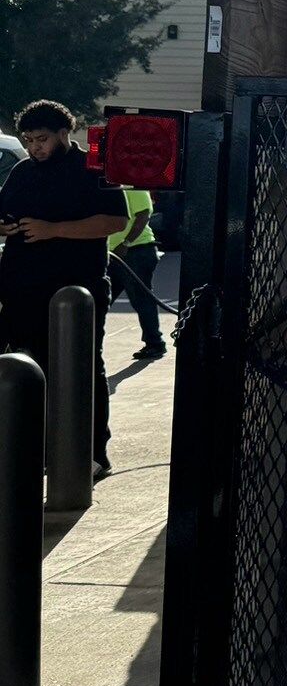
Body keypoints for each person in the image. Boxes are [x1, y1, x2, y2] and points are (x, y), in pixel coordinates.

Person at [0, 100, 127, 479]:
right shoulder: (22, 172)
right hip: (22, 289)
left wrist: (53, 229)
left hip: (77, 287)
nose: (35, 147)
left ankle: (93, 453)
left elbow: (115, 220)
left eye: (42, 139)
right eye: (28, 140)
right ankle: (41, 448)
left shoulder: (94, 168)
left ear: (63, 133)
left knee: (83, 366)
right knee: (29, 365)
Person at [110, 183, 167, 362]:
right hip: (113, 252)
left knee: (141, 298)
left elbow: (144, 213)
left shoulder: (131, 183)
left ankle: (155, 343)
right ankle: (89, 342)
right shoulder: (103, 185)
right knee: (101, 298)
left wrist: (126, 243)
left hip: (136, 249)